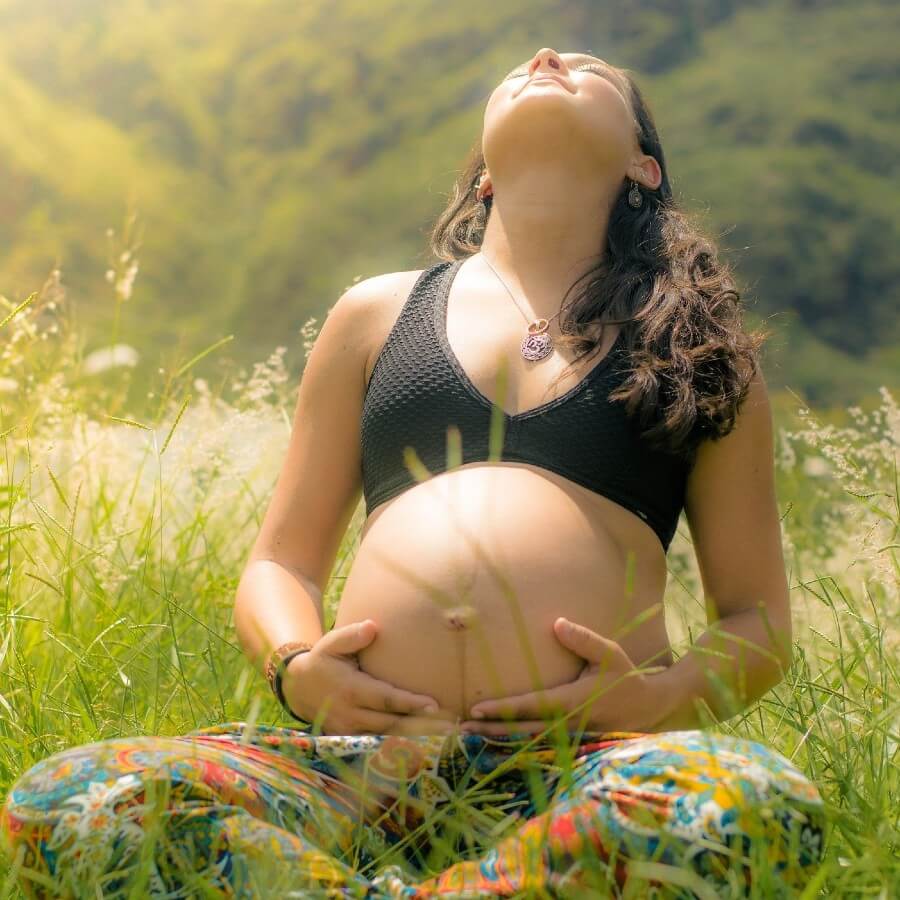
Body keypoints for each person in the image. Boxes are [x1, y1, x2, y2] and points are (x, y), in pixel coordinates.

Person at [1, 47, 825, 899]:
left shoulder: (694, 348)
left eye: (590, 70)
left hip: (586, 765)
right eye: (529, 65)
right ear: (483, 181)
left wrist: (650, 705)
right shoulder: (377, 315)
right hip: (360, 769)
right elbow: (280, 564)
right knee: (74, 801)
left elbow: (756, 622)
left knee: (751, 805)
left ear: (641, 167)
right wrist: (296, 668)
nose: (546, 57)